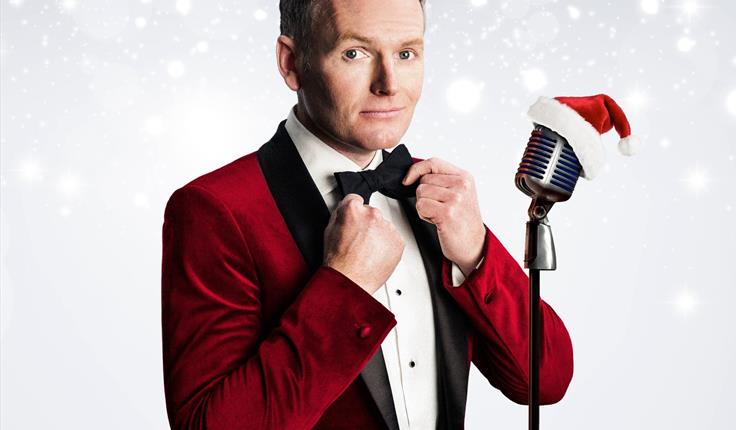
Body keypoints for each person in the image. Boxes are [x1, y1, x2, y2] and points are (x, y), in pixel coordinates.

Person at [160, 0, 574, 429]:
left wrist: (476, 255)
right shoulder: (216, 209)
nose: (389, 84)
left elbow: (545, 382)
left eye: (406, 53)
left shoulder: (436, 200)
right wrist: (345, 285)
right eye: (354, 53)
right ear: (291, 62)